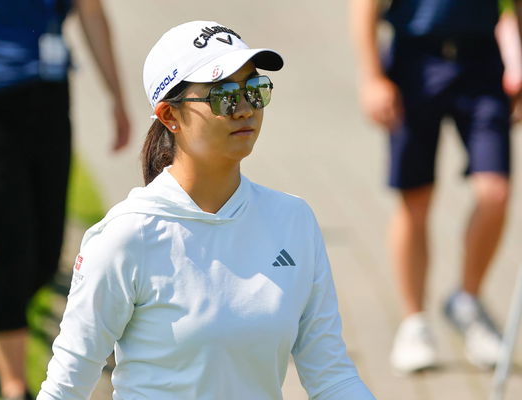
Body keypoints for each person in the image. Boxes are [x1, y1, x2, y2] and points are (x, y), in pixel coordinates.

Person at [37, 20, 376, 400]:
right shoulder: (126, 235)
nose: (245, 108)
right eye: (224, 95)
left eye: (254, 90)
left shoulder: (293, 221)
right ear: (169, 116)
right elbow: (65, 387)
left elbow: (331, 376)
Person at [0, 0, 131, 399]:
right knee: (12, 247)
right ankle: (14, 386)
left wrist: (117, 98)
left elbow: (91, 13)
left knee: (47, 253)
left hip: (48, 97)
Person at [350, 0, 522, 374]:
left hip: (483, 63)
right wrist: (372, 77)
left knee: (496, 192)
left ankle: (467, 300)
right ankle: (415, 322)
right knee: (416, 199)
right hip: (415, 59)